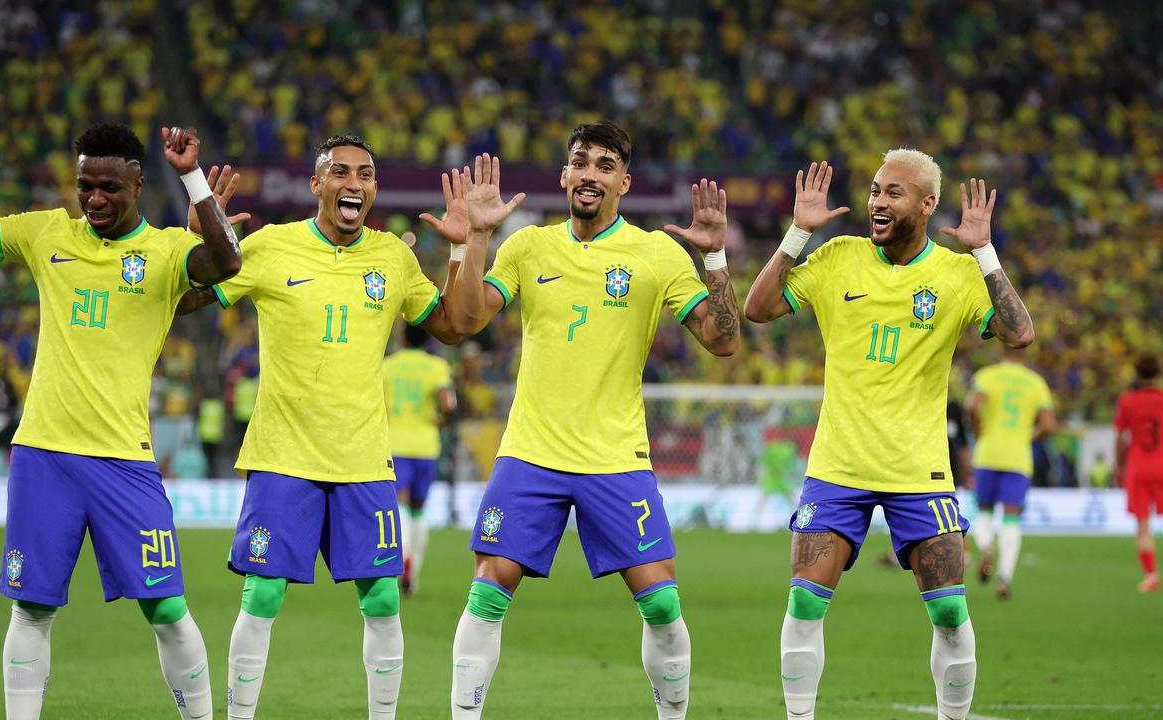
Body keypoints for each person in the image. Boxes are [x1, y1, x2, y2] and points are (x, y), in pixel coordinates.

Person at [0, 101, 243, 719]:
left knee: (168, 607)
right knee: (32, 607)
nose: (94, 199)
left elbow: (226, 263)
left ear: (139, 185)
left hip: (125, 461)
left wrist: (196, 183)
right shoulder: (47, 234)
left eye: (109, 187)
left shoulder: (169, 251)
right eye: (85, 185)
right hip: (45, 454)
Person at [443, 121, 741, 719]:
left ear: (624, 183)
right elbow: (465, 319)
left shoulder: (656, 253)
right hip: (531, 450)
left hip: (615, 455)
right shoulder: (529, 247)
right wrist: (475, 237)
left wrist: (714, 257)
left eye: (606, 165)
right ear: (564, 174)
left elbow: (723, 339)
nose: (591, 173)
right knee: (488, 587)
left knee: (660, 604)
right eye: (581, 161)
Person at [179, 135, 465, 719]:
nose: (353, 183)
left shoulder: (394, 257)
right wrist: (194, 247)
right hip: (284, 454)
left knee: (384, 597)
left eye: (365, 173)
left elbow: (452, 326)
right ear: (317, 185)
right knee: (263, 593)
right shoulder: (270, 247)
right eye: (340, 172)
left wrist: (465, 250)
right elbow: (185, 301)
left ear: (374, 188)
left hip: (364, 458)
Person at [742, 152, 1035, 720]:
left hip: (918, 470)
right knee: (804, 600)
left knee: (949, 612)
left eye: (894, 193)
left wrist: (984, 252)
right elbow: (758, 308)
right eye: (875, 190)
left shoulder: (954, 274)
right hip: (837, 467)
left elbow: (1019, 333)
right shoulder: (838, 257)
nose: (877, 201)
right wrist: (798, 232)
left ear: (927, 205)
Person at [966, 347, 1056, 598]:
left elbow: (972, 406)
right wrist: (1030, 436)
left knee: (983, 510)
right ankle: (1004, 577)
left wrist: (978, 429)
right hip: (1018, 458)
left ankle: (986, 547)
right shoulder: (1035, 383)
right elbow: (1049, 424)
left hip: (987, 453)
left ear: (1000, 350)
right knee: (1011, 517)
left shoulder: (987, 376)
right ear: (1025, 354)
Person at [383, 322, 457, 595]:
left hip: (395, 444)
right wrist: (440, 421)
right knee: (418, 509)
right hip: (426, 446)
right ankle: (413, 575)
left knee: (397, 504)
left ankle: (403, 557)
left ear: (403, 338)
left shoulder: (388, 366)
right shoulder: (437, 366)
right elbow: (448, 403)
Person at [1113, 354, 1163, 592]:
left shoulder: (1127, 401)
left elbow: (1121, 438)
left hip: (1138, 466)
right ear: (1158, 375)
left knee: (1143, 523)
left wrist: (1119, 465)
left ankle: (1151, 576)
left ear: (1137, 375)